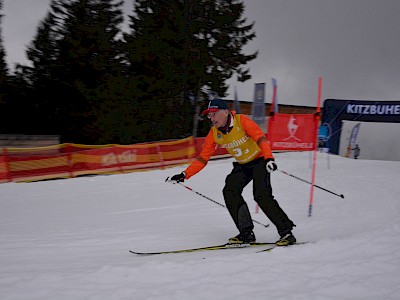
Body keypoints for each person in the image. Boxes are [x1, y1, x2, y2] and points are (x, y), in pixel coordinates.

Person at [169, 99, 296, 246]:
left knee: (261, 195)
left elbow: (260, 138)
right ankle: (246, 233)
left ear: (226, 112)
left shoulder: (241, 121)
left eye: (214, 114)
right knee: (230, 191)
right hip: (242, 165)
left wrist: (269, 158)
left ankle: (286, 232)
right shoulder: (214, 133)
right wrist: (185, 174)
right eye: (209, 115)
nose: (212, 118)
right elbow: (203, 158)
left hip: (260, 161)